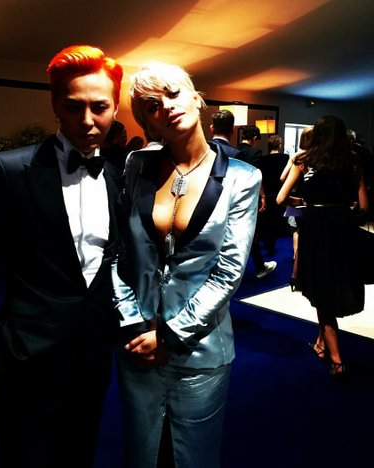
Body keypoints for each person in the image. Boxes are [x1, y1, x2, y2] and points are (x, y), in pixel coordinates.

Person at [0, 44, 124, 467]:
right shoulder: (8, 169)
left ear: (115, 107)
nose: (87, 120)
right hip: (27, 350)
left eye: (100, 107)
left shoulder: (118, 176)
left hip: (95, 348)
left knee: (81, 449)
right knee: (24, 454)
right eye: (73, 106)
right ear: (55, 105)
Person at [112, 61, 261, 467]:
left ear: (197, 98)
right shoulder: (137, 164)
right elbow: (120, 253)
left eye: (174, 93)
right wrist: (133, 323)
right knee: (142, 453)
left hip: (201, 347)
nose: (166, 106)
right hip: (138, 342)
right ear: (147, 121)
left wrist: (171, 335)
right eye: (152, 106)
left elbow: (229, 271)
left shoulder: (242, 178)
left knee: (194, 456)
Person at [277, 115, 368, 377]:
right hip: (343, 229)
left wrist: (304, 203)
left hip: (316, 228)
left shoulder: (305, 160)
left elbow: (282, 198)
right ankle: (321, 343)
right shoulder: (353, 161)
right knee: (335, 283)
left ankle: (337, 360)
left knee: (321, 290)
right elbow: (364, 206)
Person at [212, 112, 275, 279]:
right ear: (233, 130)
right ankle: (252, 267)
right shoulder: (242, 153)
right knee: (245, 231)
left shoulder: (208, 149)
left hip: (208, 198)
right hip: (234, 198)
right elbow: (252, 177)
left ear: (211, 128)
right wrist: (262, 196)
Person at [280, 127, 312, 290]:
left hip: (296, 198)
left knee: (296, 231)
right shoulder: (317, 158)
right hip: (307, 200)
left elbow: (282, 177)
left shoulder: (296, 157)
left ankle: (295, 265)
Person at [257, 135, 289, 256]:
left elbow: (260, 178)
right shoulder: (285, 158)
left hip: (267, 192)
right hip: (281, 192)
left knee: (267, 220)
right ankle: (272, 245)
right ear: (279, 145)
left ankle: (267, 243)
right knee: (278, 220)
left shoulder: (262, 160)